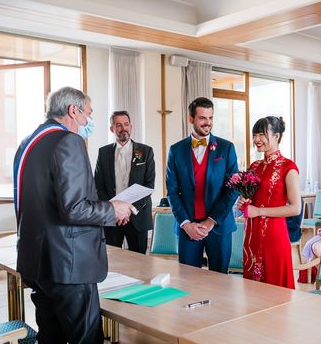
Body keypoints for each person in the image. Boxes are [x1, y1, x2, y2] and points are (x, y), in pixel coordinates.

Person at [13, 87, 134, 344]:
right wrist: (112, 209)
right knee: (86, 341)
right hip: (69, 262)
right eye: (88, 114)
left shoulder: (28, 143)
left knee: (51, 336)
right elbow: (75, 208)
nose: (87, 121)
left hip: (38, 261)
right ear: (73, 111)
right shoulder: (69, 141)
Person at [166, 97, 238, 273]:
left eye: (211, 118)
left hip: (218, 227)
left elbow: (233, 188)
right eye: (202, 118)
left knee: (220, 282)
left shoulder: (226, 148)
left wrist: (211, 221)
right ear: (191, 119)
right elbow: (172, 191)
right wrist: (185, 224)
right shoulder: (176, 150)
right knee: (188, 281)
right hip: (188, 229)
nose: (208, 123)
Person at [238, 116, 301, 289]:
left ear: (276, 136)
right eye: (255, 135)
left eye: (262, 135)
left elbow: (295, 208)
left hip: (274, 235)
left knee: (275, 289)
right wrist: (243, 202)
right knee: (252, 289)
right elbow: (251, 199)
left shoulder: (288, 167)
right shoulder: (254, 166)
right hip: (252, 233)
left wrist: (258, 211)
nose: (257, 140)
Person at [94, 110, 155, 253]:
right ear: (112, 129)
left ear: (131, 126)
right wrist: (113, 210)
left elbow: (149, 185)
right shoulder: (103, 152)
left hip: (137, 216)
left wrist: (128, 210)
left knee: (139, 264)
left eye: (126, 124)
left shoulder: (146, 151)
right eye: (119, 125)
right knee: (113, 262)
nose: (123, 128)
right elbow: (98, 186)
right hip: (111, 217)